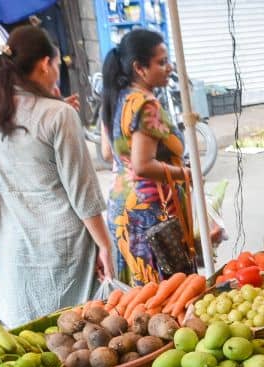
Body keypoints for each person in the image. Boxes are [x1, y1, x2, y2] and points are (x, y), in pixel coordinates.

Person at [0, 26, 113, 327]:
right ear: (45, 64)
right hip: (62, 247)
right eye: (57, 65)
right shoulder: (58, 115)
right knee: (72, 340)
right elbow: (83, 194)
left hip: (15, 246)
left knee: (31, 347)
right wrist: (105, 245)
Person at [102, 29, 200, 285]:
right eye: (161, 62)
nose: (169, 68)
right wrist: (185, 174)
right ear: (139, 68)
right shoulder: (146, 104)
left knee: (141, 296)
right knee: (165, 294)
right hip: (149, 215)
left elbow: (107, 153)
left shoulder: (118, 97)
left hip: (123, 209)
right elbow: (142, 164)